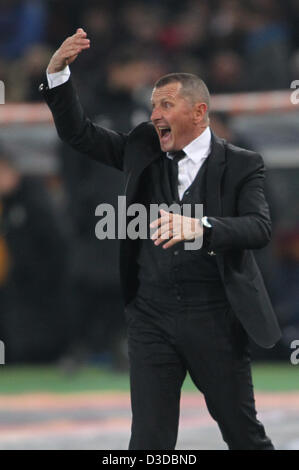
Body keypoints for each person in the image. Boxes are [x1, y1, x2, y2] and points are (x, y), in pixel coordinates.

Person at [40, 28, 281, 450]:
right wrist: (57, 75)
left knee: (243, 436)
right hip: (150, 318)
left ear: (199, 112)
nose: (154, 115)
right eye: (153, 105)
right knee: (148, 445)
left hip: (215, 317)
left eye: (166, 105)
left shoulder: (243, 164)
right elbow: (80, 134)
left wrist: (202, 226)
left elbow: (259, 228)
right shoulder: (142, 147)